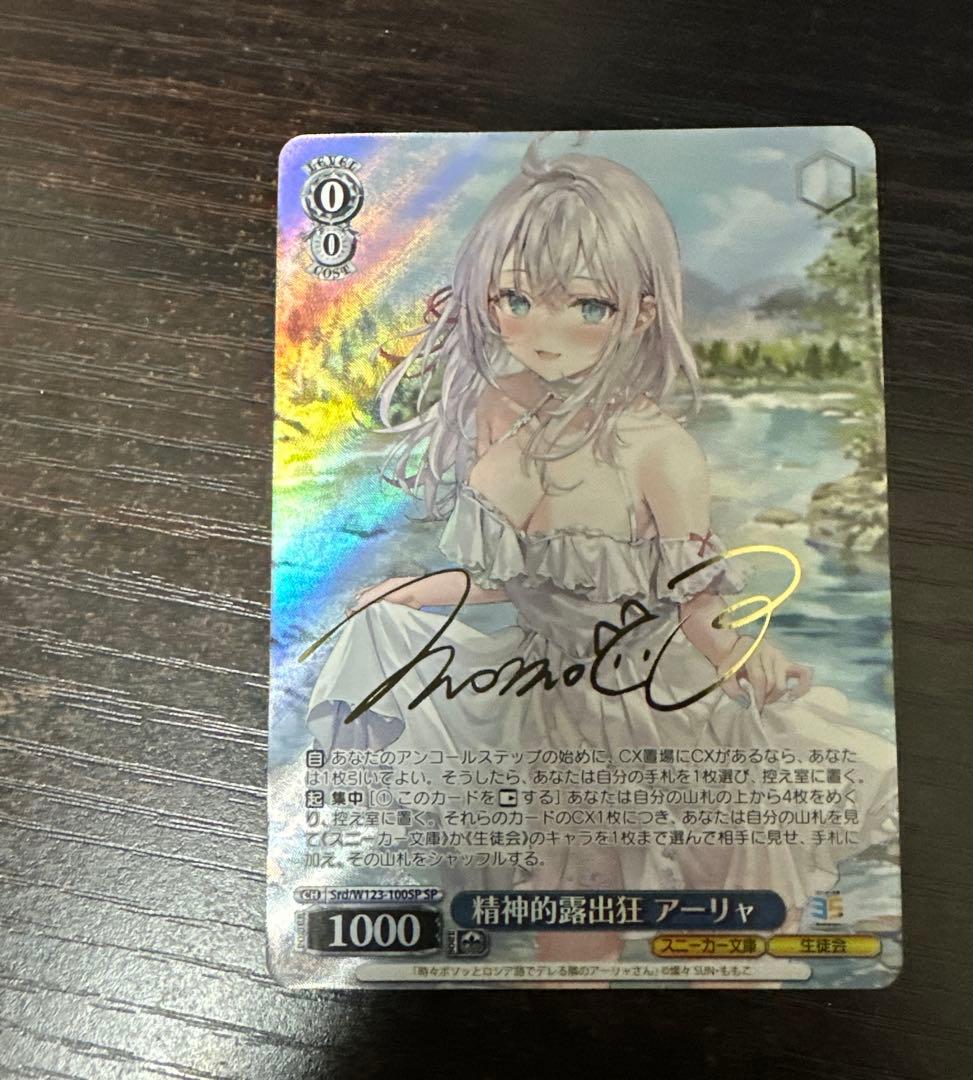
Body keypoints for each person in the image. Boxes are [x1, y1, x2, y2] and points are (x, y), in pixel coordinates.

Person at [304, 138, 898, 963]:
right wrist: (403, 594)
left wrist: (742, 654)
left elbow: (695, 603)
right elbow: (507, 582)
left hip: (671, 713)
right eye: (515, 298)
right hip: (554, 713)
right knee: (570, 936)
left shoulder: (659, 449)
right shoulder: (499, 414)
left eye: (586, 305)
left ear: (640, 314)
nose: (543, 332)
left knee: (733, 935)